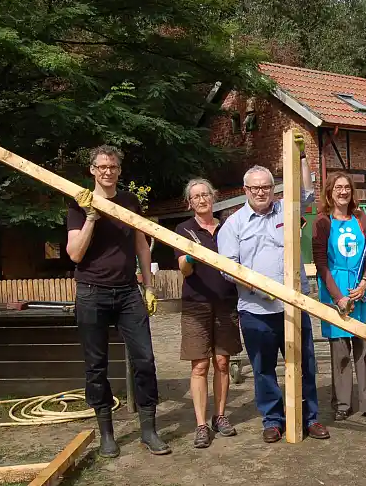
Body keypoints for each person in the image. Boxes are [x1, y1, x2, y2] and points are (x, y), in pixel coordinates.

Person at [217, 135, 330, 443]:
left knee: (305, 363)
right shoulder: (233, 225)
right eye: (255, 188)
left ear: (273, 187)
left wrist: (304, 157)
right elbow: (228, 269)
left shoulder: (286, 211)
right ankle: (273, 420)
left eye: (266, 186)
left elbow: (307, 194)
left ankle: (310, 418)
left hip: (294, 306)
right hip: (256, 310)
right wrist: (258, 287)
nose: (261, 192)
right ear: (246, 191)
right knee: (264, 368)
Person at [66, 144, 170, 457]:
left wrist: (149, 286)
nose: (107, 172)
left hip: (127, 292)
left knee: (146, 360)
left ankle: (149, 430)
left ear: (119, 170)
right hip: (91, 291)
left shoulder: (129, 202)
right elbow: (75, 253)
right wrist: (91, 217)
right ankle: (107, 434)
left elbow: (142, 244)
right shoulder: (78, 203)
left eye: (112, 167)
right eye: (101, 167)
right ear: (92, 171)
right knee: (96, 366)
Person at [312, 172, 366, 422]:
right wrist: (338, 298)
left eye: (347, 187)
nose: (343, 192)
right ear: (330, 192)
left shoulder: (360, 218)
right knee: (340, 352)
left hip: (359, 290)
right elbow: (320, 262)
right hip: (335, 290)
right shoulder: (322, 222)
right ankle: (343, 404)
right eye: (338, 187)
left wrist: (365, 282)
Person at [175, 178, 241, 448]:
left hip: (226, 302)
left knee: (222, 363)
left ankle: (220, 416)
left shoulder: (227, 227)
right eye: (196, 197)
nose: (202, 200)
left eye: (206, 195)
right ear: (189, 203)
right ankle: (201, 424)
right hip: (196, 304)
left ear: (213, 197)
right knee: (200, 365)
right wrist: (191, 256)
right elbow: (184, 269)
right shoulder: (184, 230)